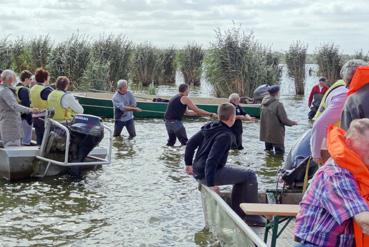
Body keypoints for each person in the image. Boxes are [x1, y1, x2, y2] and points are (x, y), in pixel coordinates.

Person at [184, 103, 265, 226]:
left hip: (198, 170)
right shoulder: (225, 135)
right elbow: (211, 160)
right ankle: (253, 217)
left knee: (244, 175)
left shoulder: (209, 126)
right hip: (208, 174)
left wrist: (188, 164)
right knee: (250, 175)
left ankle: (239, 212)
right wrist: (211, 184)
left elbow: (190, 143)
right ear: (233, 118)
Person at [294, 119, 369, 247]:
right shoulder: (336, 173)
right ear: (349, 143)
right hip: (314, 244)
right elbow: (363, 219)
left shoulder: (362, 169)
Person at [310, 79, 347, 165]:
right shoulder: (344, 94)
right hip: (330, 141)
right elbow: (319, 125)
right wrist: (316, 153)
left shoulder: (337, 86)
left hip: (330, 136)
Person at [0, 70, 38, 147]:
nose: (15, 80)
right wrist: (30, 110)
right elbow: (14, 106)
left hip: (10, 121)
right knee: (12, 147)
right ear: (10, 79)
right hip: (10, 123)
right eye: (14, 78)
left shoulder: (5, 89)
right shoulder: (5, 91)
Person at [259, 85, 297, 154]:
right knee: (279, 154)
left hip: (266, 134)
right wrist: (293, 123)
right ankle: (278, 165)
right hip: (276, 135)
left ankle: (268, 165)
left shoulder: (263, 104)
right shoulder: (278, 105)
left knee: (268, 153)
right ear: (277, 93)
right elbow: (284, 120)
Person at [340, 59, 369, 130]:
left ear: (350, 80)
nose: (347, 87)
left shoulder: (352, 101)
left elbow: (346, 134)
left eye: (346, 84)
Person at [30, 68, 53, 145]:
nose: (49, 78)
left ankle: (38, 152)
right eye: (48, 77)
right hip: (44, 117)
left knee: (39, 137)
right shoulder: (46, 89)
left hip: (35, 116)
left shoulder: (32, 88)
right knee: (46, 139)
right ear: (45, 78)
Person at [16, 70, 33, 145]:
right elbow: (26, 105)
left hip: (16, 116)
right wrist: (29, 119)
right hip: (25, 117)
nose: (31, 81)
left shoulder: (16, 88)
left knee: (19, 139)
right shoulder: (24, 90)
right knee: (26, 140)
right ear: (26, 79)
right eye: (30, 79)